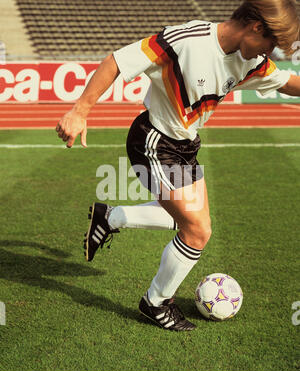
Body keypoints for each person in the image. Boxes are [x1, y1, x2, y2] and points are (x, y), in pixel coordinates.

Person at [56, 0, 300, 331]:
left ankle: (109, 217)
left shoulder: (251, 61)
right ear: (256, 28)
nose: (270, 52)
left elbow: (285, 82)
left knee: (187, 222)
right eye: (271, 43)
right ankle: (155, 303)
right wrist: (80, 110)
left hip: (185, 145)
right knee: (197, 230)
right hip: (153, 141)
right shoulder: (188, 40)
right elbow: (118, 60)